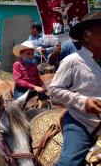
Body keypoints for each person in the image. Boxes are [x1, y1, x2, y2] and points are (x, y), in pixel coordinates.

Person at [49, 11, 101, 166]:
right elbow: (54, 90)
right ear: (86, 36)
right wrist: (84, 102)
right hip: (81, 122)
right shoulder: (73, 61)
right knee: (69, 163)